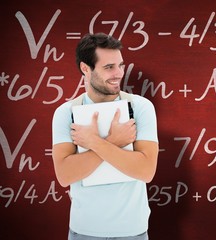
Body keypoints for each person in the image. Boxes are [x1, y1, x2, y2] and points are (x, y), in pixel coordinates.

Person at [52, 33, 159, 240]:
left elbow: (146, 171)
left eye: (120, 65)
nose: (118, 73)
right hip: (83, 231)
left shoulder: (141, 107)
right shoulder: (66, 113)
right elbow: (65, 175)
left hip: (133, 231)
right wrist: (114, 141)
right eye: (109, 67)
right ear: (86, 68)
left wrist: (93, 141)